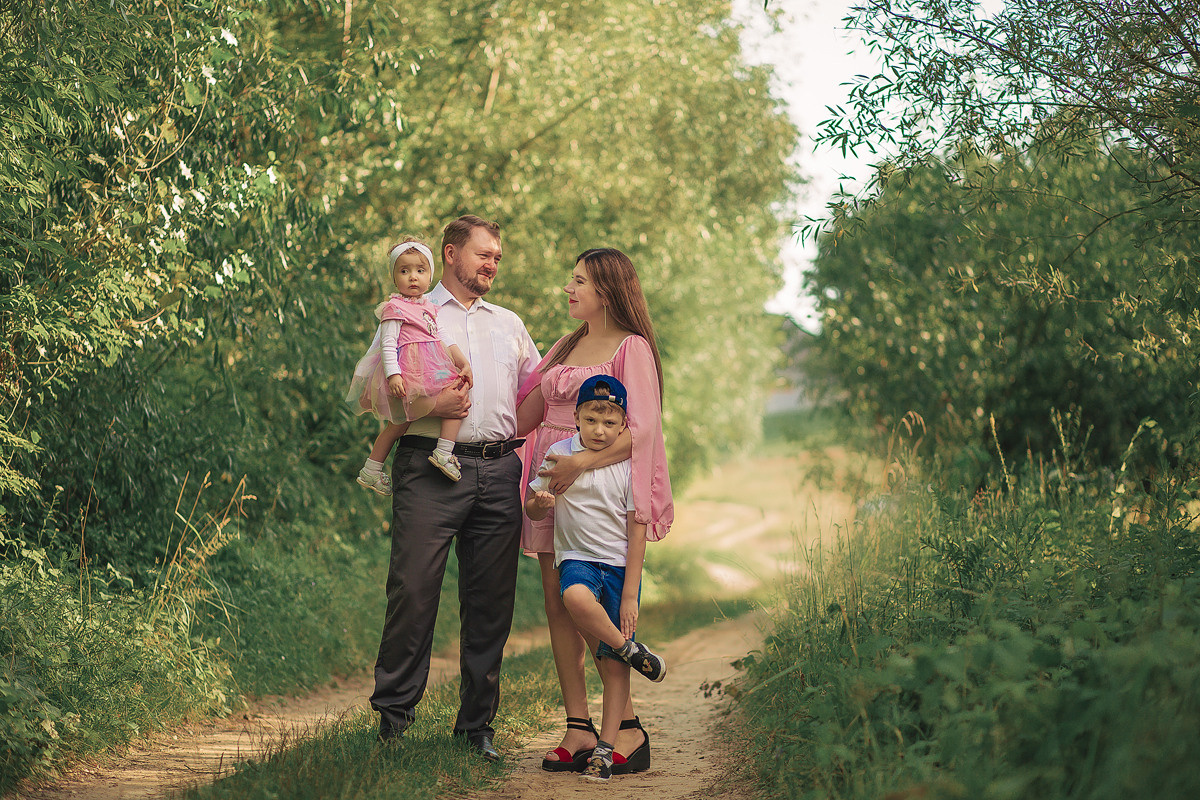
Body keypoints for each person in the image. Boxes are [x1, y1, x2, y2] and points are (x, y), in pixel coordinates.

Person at [370, 215, 540, 762]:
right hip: (428, 466)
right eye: (483, 254)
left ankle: (476, 729)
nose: (493, 264)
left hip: (498, 470)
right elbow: (380, 397)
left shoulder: (510, 324)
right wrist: (433, 404)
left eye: (497, 257)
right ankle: (393, 722)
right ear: (450, 253)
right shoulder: (411, 312)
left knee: (490, 602)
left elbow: (536, 397)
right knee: (413, 590)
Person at [515, 247, 673, 774]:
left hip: (597, 490)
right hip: (550, 483)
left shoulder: (632, 348)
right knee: (558, 603)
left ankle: (626, 727)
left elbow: (642, 431)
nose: (569, 288)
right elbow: (526, 414)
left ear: (605, 289)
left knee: (591, 605)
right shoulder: (566, 344)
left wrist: (579, 462)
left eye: (579, 280)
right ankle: (578, 726)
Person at [525, 374, 667, 782]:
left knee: (611, 665)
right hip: (577, 558)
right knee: (573, 598)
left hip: (619, 565)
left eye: (609, 423)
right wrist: (540, 503)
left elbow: (637, 530)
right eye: (591, 420)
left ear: (623, 425)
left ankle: (605, 748)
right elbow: (533, 508)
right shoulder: (559, 453)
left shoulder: (628, 464)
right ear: (576, 418)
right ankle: (631, 650)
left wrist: (630, 595)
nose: (599, 430)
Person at [346, 238, 474, 492]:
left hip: (432, 366)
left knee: (455, 397)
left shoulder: (430, 307)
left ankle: (437, 453)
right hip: (409, 372)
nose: (413, 277)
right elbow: (388, 343)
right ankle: (378, 468)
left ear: (430, 276)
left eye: (420, 270)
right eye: (404, 271)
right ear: (395, 278)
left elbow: (442, 336)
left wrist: (462, 361)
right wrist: (393, 375)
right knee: (400, 424)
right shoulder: (394, 307)